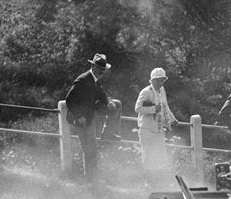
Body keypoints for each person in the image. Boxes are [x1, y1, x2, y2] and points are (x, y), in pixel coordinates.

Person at [64, 53, 122, 183]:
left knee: (117, 105)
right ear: (93, 67)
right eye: (100, 69)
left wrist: (108, 102)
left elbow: (100, 93)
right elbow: (69, 99)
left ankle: (108, 133)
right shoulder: (83, 79)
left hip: (89, 116)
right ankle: (90, 180)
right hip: (81, 119)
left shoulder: (94, 79)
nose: (102, 72)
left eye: (103, 70)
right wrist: (79, 116)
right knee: (89, 150)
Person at [135, 67, 180, 184]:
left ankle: (160, 181)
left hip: (158, 128)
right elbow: (138, 108)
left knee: (160, 155)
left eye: (162, 80)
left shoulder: (162, 90)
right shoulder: (146, 92)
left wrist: (172, 119)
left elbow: (165, 107)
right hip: (147, 128)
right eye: (158, 80)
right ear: (152, 80)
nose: (160, 83)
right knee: (148, 156)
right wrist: (153, 109)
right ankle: (149, 182)